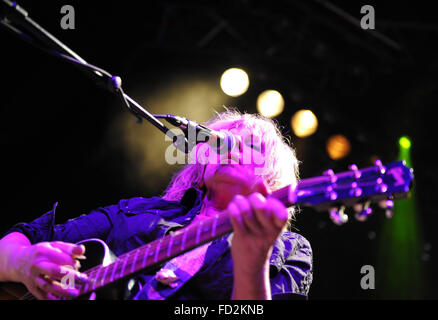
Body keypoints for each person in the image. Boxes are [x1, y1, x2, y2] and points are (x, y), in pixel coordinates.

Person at [0, 109, 313, 300]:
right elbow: (24, 238)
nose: (230, 149)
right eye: (220, 142)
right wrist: (20, 262)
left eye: (251, 146)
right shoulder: (140, 210)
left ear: (272, 177)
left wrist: (253, 259)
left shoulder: (289, 249)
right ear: (202, 168)